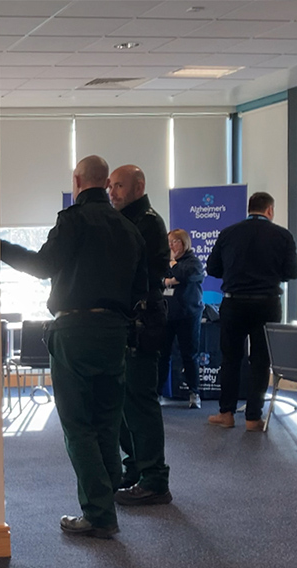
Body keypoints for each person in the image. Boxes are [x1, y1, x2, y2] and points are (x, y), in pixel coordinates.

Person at [0, 155, 147, 539]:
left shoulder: (73, 220)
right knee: (107, 421)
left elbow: (42, 266)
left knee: (77, 426)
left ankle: (98, 513)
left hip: (74, 330)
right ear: (104, 183)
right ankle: (106, 497)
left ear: (78, 182)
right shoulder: (129, 228)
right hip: (115, 332)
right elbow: (140, 290)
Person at [206, 192, 297, 431]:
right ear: (270, 210)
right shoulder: (282, 235)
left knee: (230, 358)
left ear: (249, 209)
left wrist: (235, 273)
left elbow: (213, 268)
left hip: (233, 302)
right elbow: (292, 272)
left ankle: (226, 413)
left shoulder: (228, 233)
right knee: (260, 360)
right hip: (267, 304)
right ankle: (253, 418)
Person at [106, 164, 172, 507]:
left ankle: (154, 478)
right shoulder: (126, 219)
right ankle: (135, 467)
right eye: (110, 186)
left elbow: (137, 273)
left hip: (143, 320)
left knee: (141, 402)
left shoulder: (146, 221)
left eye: (119, 186)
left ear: (138, 187)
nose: (112, 192)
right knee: (122, 402)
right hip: (129, 319)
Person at [158, 229, 205, 409]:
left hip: (188, 315)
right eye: (169, 242)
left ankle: (194, 393)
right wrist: (170, 280)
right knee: (163, 355)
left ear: (184, 243)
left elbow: (188, 274)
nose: (171, 245)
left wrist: (172, 276)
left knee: (189, 355)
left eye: (175, 241)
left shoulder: (193, 262)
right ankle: (158, 392)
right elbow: (159, 279)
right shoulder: (166, 261)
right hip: (167, 314)